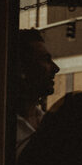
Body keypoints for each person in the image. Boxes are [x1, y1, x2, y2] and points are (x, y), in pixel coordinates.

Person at [16, 28, 59, 156]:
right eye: (46, 59)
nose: (56, 68)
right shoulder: (1, 128)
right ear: (22, 68)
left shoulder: (46, 122)